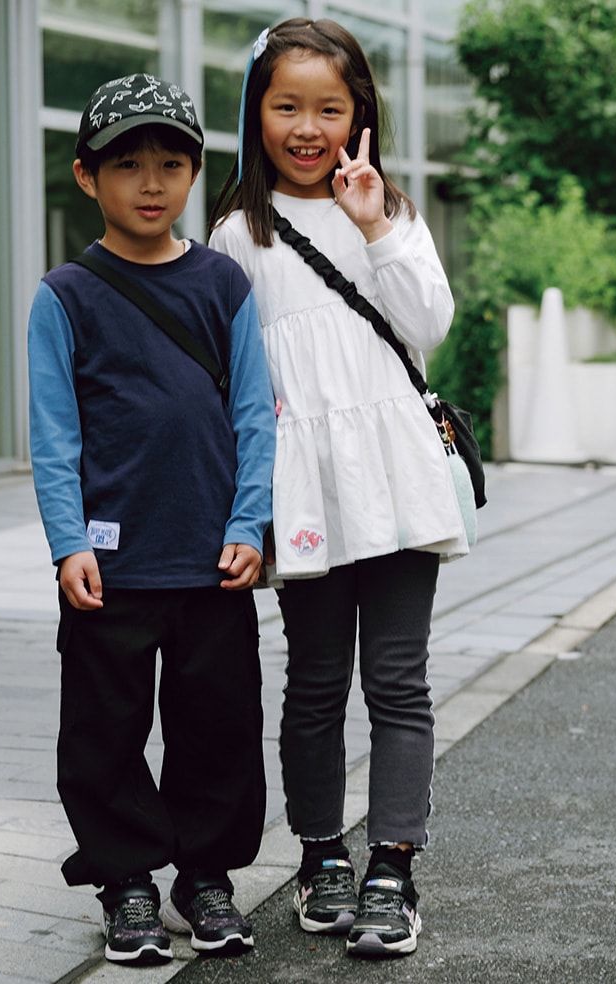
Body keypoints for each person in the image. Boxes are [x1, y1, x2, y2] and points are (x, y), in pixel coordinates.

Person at [209, 19, 468, 959]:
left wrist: (375, 226)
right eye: (287, 107)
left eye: (329, 108)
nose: (308, 128)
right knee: (315, 682)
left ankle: (392, 869)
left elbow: (429, 325)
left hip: (394, 475)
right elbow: (233, 376)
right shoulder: (238, 234)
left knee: (397, 680)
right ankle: (322, 857)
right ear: (257, 113)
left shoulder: (389, 211)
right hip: (306, 487)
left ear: (360, 114)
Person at [28, 74, 276, 966]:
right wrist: (67, 543)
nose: (151, 183)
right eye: (127, 164)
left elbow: (255, 416)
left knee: (219, 727)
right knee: (103, 732)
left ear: (194, 174)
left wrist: (249, 525)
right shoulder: (66, 294)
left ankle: (205, 879)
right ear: (86, 176)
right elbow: (53, 434)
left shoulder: (222, 283)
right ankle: (125, 881)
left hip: (213, 561)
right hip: (110, 565)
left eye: (171, 164)